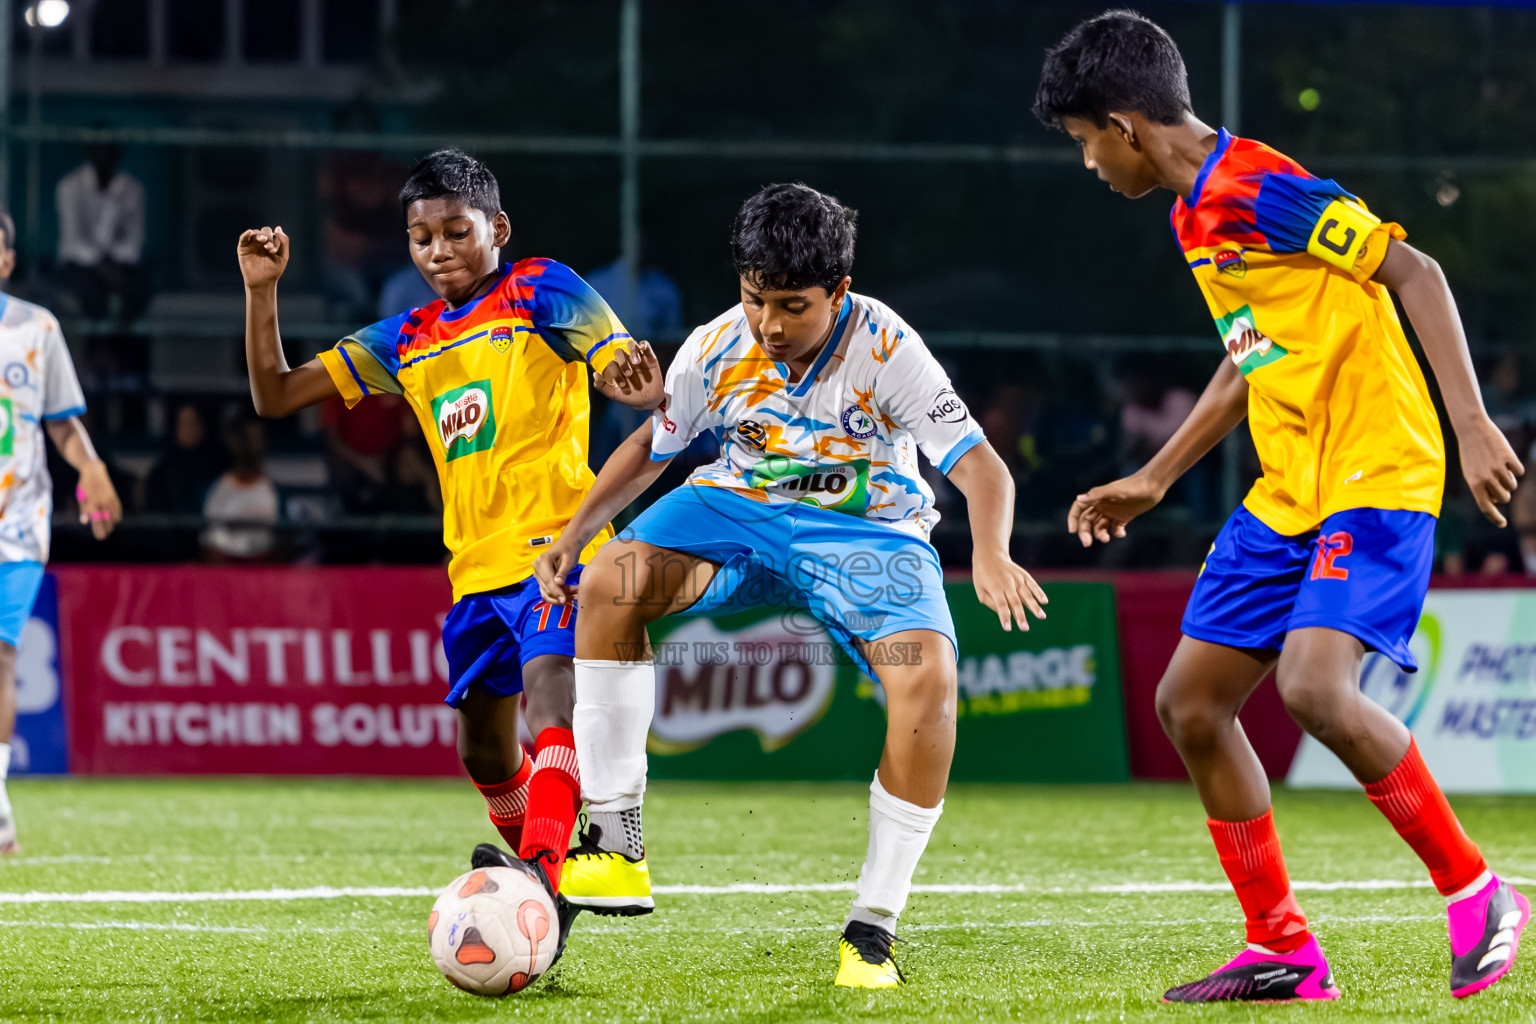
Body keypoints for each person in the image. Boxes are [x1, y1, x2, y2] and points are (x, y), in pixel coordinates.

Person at [1035, 10, 1527, 1003]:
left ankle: (1480, 893)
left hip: (1376, 470)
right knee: (1190, 704)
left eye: (1086, 141)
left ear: (1126, 126)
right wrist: (1156, 476)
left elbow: (1415, 271)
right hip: (1290, 487)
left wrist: (1472, 423)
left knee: (1313, 689)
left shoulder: (1260, 187)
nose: (1088, 162)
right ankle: (1282, 947)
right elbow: (1248, 355)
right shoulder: (1189, 217)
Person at [533, 183, 1046, 987]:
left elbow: (982, 466)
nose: (768, 324)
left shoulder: (888, 347)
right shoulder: (716, 345)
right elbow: (651, 448)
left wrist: (990, 552)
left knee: (929, 683)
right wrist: (572, 536)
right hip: (738, 509)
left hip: (868, 531)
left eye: (791, 306)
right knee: (608, 582)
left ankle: (872, 927)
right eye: (754, 299)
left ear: (839, 291)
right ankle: (615, 839)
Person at [235, 148, 661, 958]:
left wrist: (627, 379)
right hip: (473, 573)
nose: (439, 251)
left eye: (457, 232)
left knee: (553, 701)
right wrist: (263, 292)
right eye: (421, 237)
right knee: (484, 750)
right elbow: (276, 394)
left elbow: (614, 359)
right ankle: (549, 876)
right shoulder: (406, 338)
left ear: (497, 228)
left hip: (559, 550)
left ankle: (538, 879)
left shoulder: (540, 288)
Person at [0, 207, 123, 854]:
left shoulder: (35, 328)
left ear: (7, 260)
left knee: (1, 654)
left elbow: (60, 421)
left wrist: (92, 465)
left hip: (17, 523)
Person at [55, 140, 149, 321]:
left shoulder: (131, 188)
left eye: (110, 151)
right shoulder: (69, 186)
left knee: (137, 287)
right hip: (80, 265)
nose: (105, 157)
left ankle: (123, 335)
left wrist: (111, 261)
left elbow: (134, 244)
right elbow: (72, 242)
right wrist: (100, 262)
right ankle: (93, 336)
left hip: (118, 265)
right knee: (89, 289)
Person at [199, 416, 280, 563]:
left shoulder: (271, 488)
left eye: (258, 440)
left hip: (262, 558)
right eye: (247, 440)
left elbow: (281, 529)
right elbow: (208, 526)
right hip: (224, 558)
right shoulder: (219, 486)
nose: (253, 447)